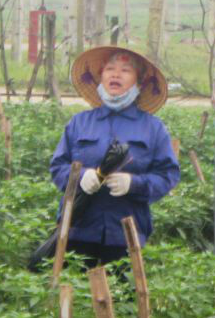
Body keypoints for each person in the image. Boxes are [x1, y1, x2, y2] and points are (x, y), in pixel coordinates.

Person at [48, 45, 180, 268]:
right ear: (100, 78)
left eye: (126, 70)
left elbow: (167, 175)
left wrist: (134, 184)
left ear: (139, 83)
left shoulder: (153, 128)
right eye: (110, 69)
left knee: (124, 298)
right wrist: (79, 177)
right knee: (75, 293)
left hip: (126, 233)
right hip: (78, 229)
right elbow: (58, 166)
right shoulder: (79, 123)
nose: (116, 74)